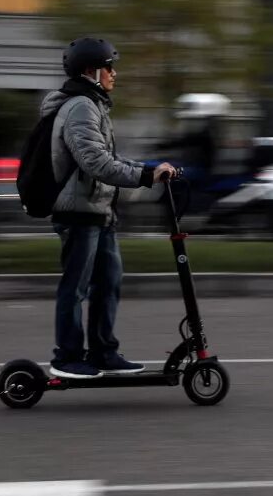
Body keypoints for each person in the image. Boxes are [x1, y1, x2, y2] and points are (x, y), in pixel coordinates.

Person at [40, 37, 177, 380]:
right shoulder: (80, 108)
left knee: (108, 281)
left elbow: (110, 160)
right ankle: (67, 357)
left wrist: (149, 169)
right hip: (78, 212)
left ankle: (103, 351)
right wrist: (145, 176)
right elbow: (95, 162)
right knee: (77, 286)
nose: (115, 73)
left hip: (99, 210)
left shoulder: (94, 105)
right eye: (109, 67)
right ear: (91, 71)